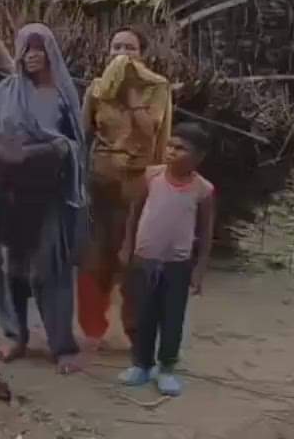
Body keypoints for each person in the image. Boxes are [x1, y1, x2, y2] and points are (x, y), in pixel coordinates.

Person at [0, 23, 88, 374]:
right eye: (26, 48)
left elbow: (76, 145)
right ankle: (15, 335)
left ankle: (62, 345)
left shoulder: (62, 95)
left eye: (39, 48)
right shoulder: (5, 91)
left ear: (50, 53)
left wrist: (49, 151)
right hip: (8, 190)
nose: (32, 55)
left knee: (50, 268)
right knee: (5, 267)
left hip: (47, 192)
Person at [78, 27, 173, 351]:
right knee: (97, 256)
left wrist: (132, 98)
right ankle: (94, 328)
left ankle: (136, 332)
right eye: (116, 46)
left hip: (137, 183)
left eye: (130, 48)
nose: (122, 53)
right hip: (100, 180)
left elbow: (151, 132)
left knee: (134, 258)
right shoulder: (97, 89)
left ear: (141, 55)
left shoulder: (155, 89)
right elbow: (84, 133)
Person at [118, 123, 215, 397]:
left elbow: (206, 234)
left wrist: (199, 270)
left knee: (172, 318)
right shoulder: (151, 177)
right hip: (145, 259)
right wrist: (127, 247)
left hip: (177, 265)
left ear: (199, 157)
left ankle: (167, 369)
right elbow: (134, 213)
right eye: (170, 145)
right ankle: (141, 365)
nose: (172, 151)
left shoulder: (204, 190)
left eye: (181, 148)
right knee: (143, 315)